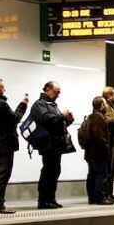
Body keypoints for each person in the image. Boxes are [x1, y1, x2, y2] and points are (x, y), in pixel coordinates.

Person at [0, 78, 28, 213]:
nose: (4, 89)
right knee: (2, 174)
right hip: (4, 144)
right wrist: (23, 105)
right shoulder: (1, 104)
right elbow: (14, 119)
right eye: (2, 87)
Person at [31, 81, 73, 209]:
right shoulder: (39, 104)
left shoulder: (51, 104)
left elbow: (56, 123)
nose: (58, 95)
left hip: (55, 143)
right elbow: (47, 119)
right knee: (48, 172)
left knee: (54, 171)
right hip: (47, 144)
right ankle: (43, 200)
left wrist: (67, 120)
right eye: (56, 92)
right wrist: (61, 115)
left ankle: (51, 198)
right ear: (47, 89)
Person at [84, 97, 114, 205]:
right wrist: (106, 149)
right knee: (101, 175)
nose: (106, 106)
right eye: (105, 104)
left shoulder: (91, 116)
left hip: (90, 152)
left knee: (92, 175)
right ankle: (101, 197)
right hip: (98, 153)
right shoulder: (99, 117)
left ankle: (92, 198)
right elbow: (100, 137)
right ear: (101, 105)